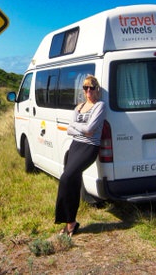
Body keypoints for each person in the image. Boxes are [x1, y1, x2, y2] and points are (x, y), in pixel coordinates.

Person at [55, 74, 106, 237]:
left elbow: (91, 130)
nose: (88, 91)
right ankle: (71, 223)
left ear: (97, 89)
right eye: (85, 88)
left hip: (89, 147)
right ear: (83, 90)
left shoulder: (100, 106)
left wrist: (76, 125)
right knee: (73, 182)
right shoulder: (79, 106)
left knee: (66, 178)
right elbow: (70, 130)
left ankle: (67, 219)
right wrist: (80, 127)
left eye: (91, 87)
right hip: (75, 145)